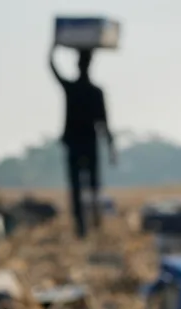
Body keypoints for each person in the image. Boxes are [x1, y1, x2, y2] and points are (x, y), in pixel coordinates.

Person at [50, 42, 117, 239]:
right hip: (84, 143)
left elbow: (104, 123)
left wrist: (54, 47)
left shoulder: (75, 89)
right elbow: (105, 124)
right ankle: (88, 225)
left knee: (82, 188)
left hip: (79, 144)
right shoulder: (91, 91)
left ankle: (87, 225)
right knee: (89, 186)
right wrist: (111, 147)